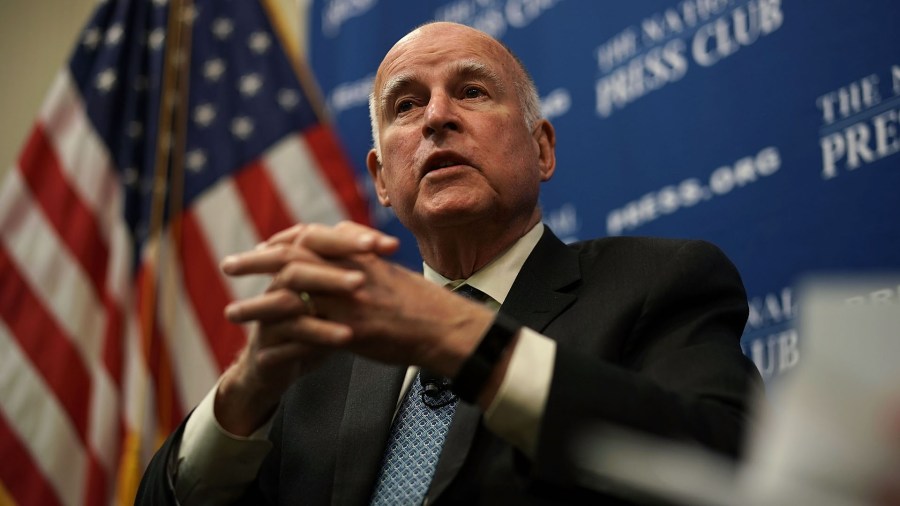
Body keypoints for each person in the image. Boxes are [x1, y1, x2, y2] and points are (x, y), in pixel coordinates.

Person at [137, 21, 763, 505]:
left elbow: (725, 466)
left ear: (542, 148)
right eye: (405, 105)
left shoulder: (657, 285)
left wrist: (456, 334)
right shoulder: (317, 367)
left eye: (471, 91)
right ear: (382, 181)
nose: (437, 116)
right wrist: (246, 392)